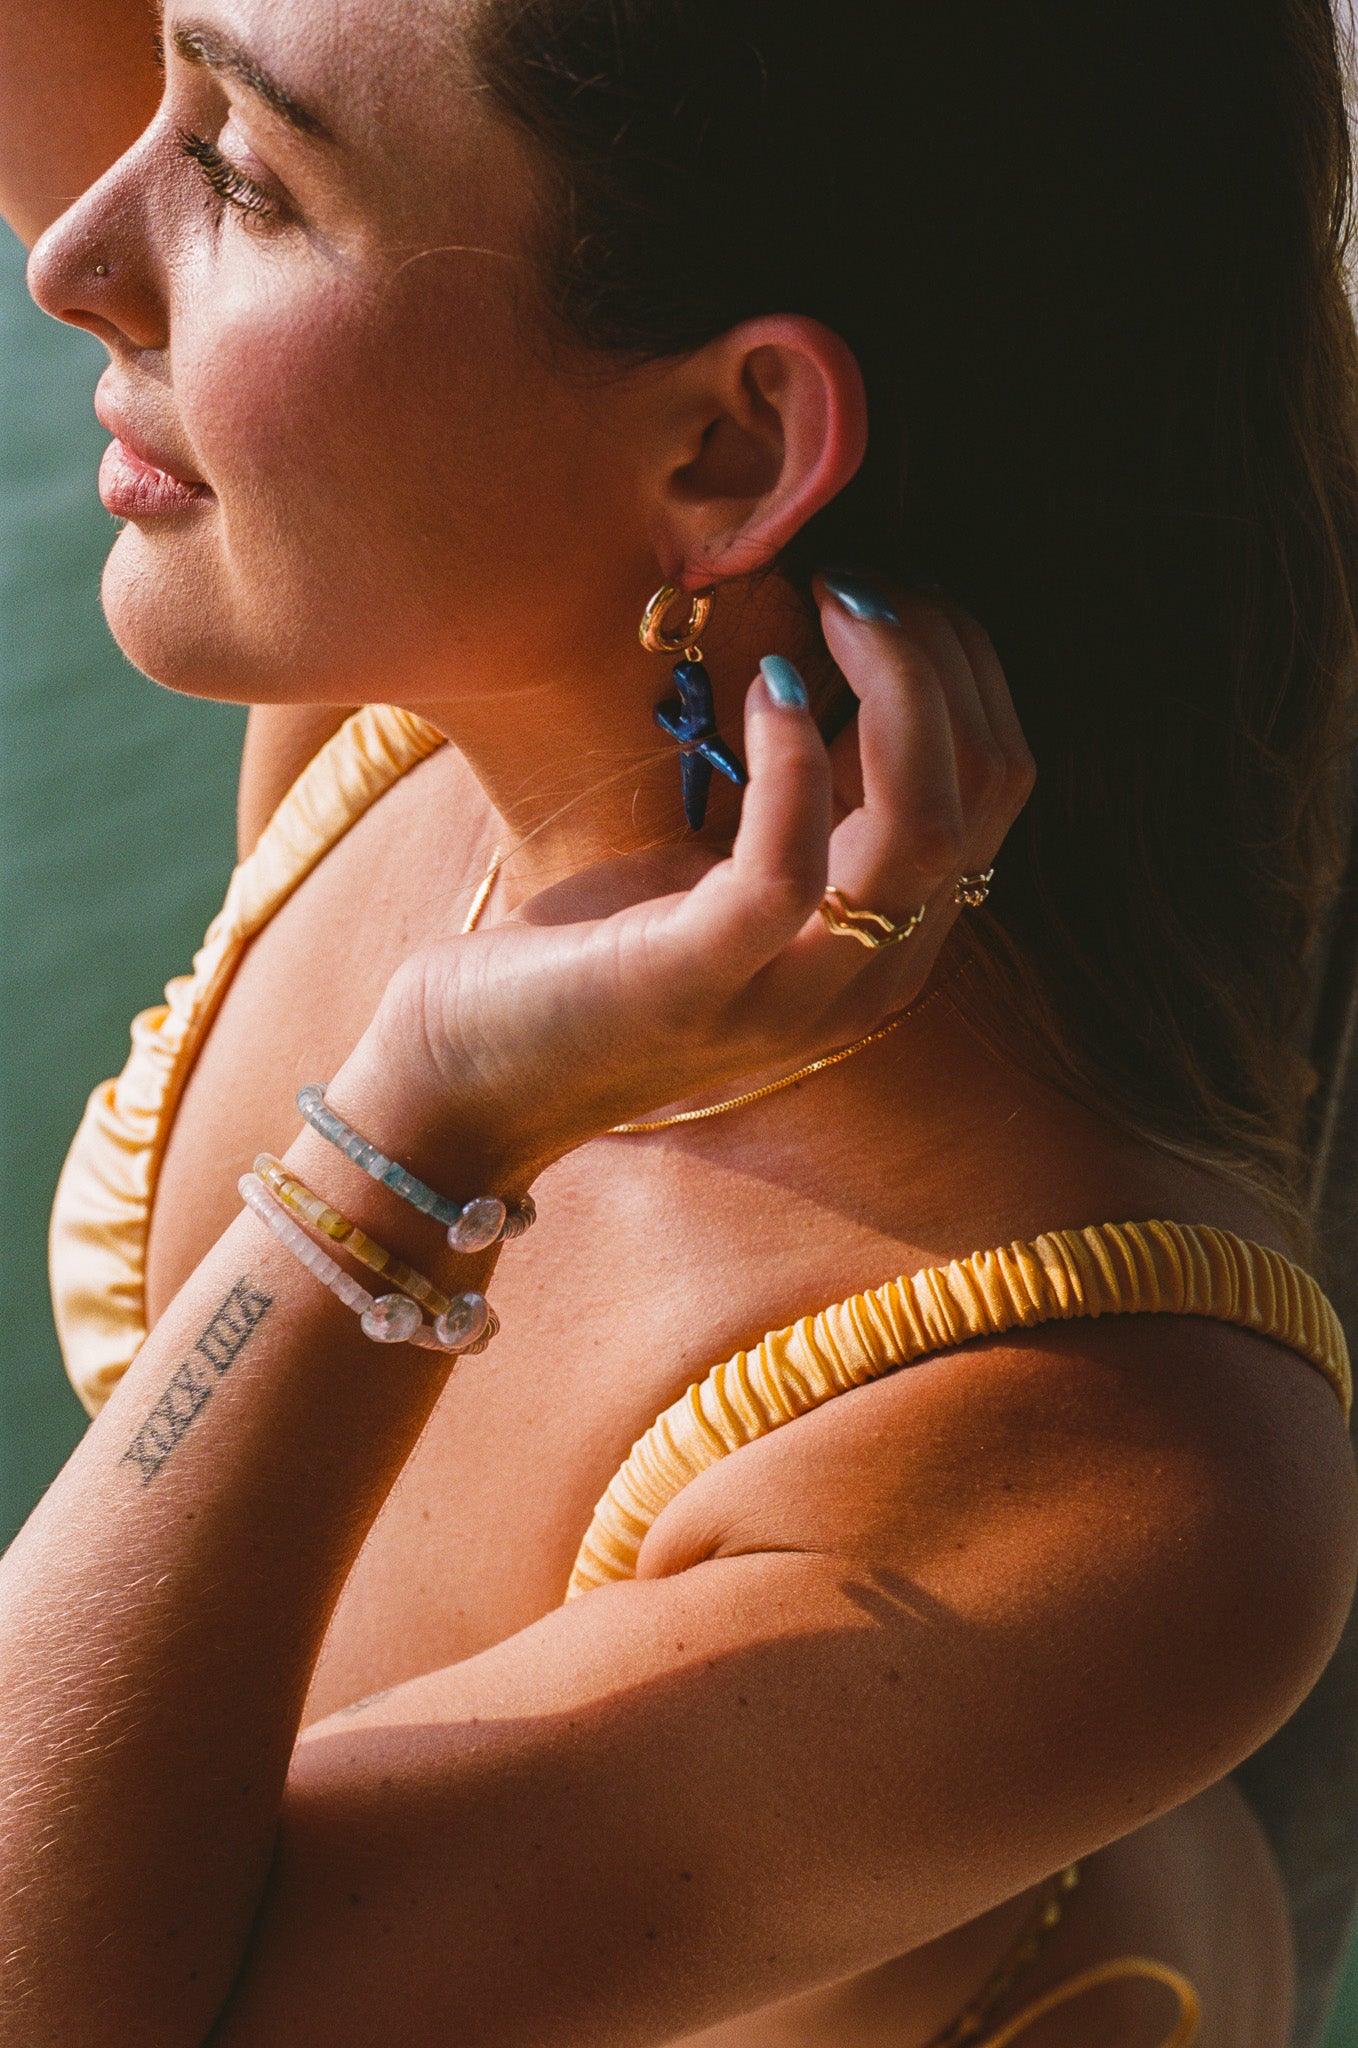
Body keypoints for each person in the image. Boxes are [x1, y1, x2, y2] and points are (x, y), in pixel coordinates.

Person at [1, 3, 1356, 2042]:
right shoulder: (422, 639)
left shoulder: (1089, 1457)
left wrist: (413, 1138)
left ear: (728, 443)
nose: (73, 254)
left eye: (241, 176)